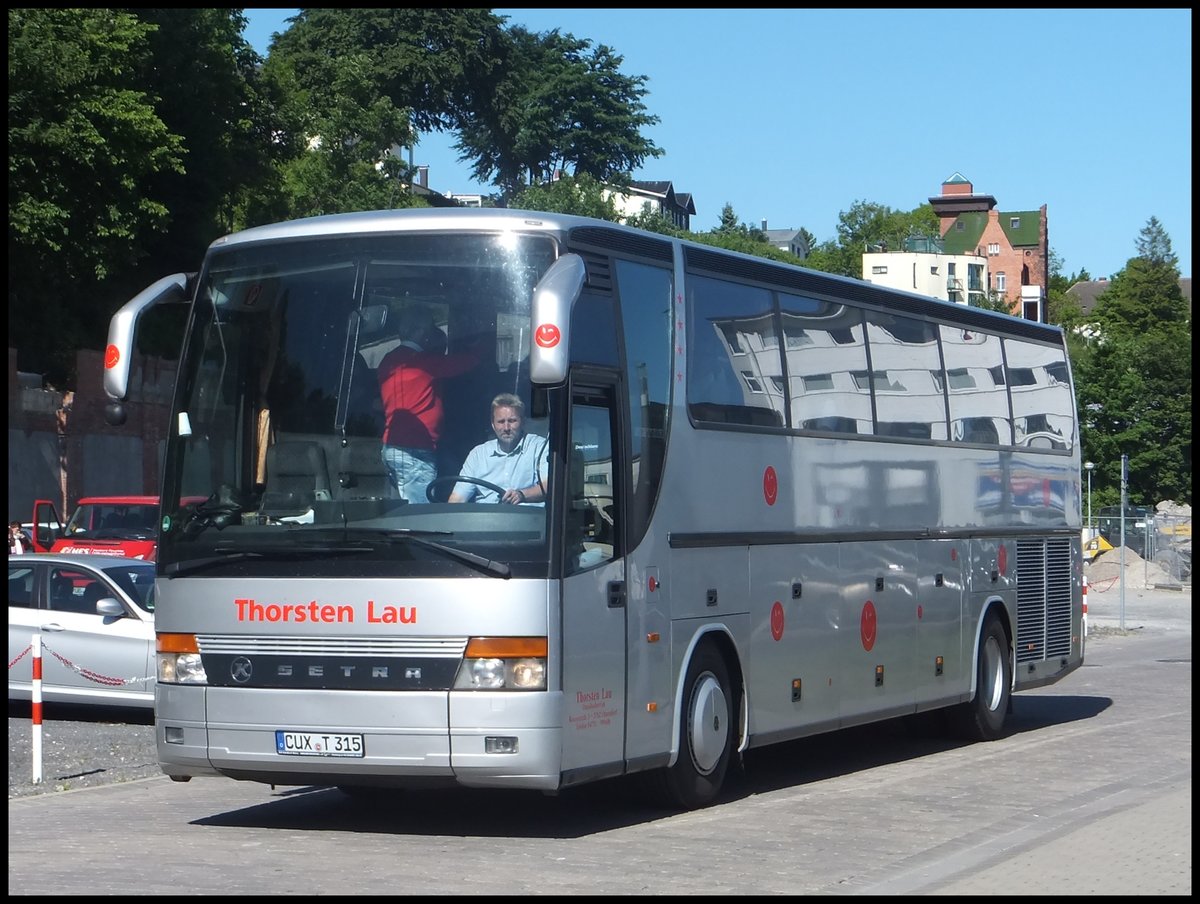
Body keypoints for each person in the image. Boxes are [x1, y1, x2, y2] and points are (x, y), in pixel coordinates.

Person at [377, 309, 481, 503]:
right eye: (428, 331)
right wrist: (478, 344)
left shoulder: (388, 360)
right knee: (417, 514)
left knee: (398, 508)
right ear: (420, 333)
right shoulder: (424, 362)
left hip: (391, 447)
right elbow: (466, 363)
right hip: (414, 449)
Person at [449, 393, 549, 505]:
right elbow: (458, 498)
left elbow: (549, 486)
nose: (506, 428)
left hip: (527, 518)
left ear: (523, 421)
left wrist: (521, 495)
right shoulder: (478, 454)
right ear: (493, 424)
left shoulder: (539, 447)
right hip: (484, 519)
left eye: (512, 421)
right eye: (501, 422)